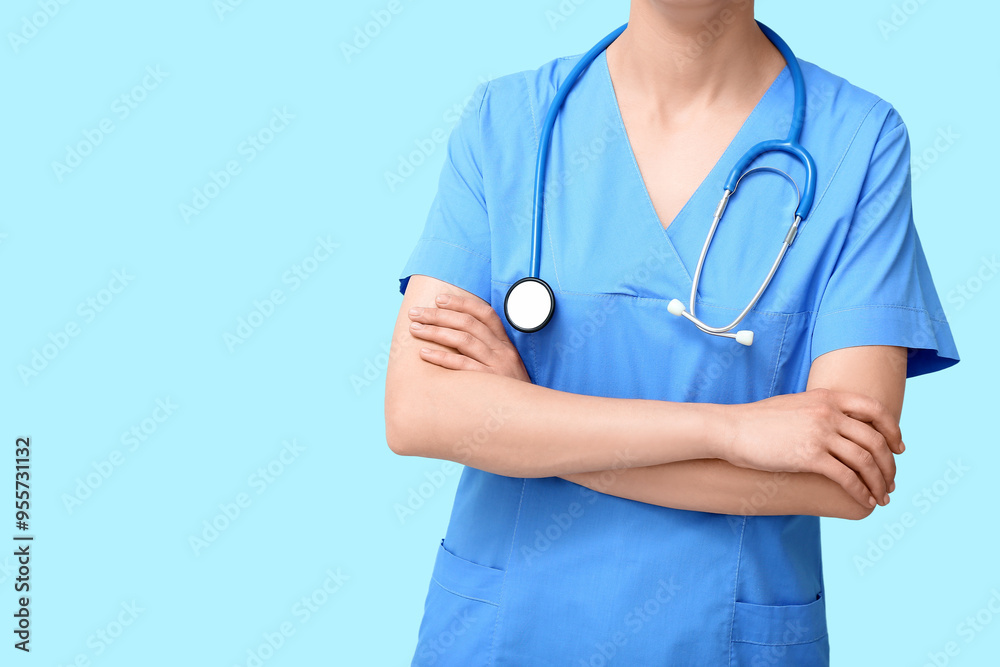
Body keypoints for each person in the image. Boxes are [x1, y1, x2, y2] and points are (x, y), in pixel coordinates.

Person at [384, 1, 960, 664]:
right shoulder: (504, 123)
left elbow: (845, 478)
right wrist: (732, 431)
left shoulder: (859, 142)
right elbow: (418, 412)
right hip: (501, 636)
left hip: (721, 642)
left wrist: (527, 422)